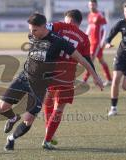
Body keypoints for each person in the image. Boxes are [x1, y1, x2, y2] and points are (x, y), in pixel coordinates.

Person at [0, 13, 104, 151]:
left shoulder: (58, 41)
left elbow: (82, 59)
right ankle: (12, 118)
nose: (31, 33)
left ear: (43, 27)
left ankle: (11, 139)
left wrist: (95, 76)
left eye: (34, 30)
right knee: (1, 108)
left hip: (40, 85)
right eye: (30, 29)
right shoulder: (32, 35)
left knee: (28, 119)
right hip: (24, 77)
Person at [42, 9, 96, 150]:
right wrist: (95, 76)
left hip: (50, 70)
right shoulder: (84, 38)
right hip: (67, 76)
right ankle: (47, 138)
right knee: (59, 108)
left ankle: (49, 134)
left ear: (70, 20)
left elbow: (43, 28)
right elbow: (87, 60)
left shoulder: (59, 26)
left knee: (48, 102)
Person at [84, 0, 112, 86]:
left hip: (97, 42)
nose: (91, 6)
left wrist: (103, 41)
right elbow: (90, 27)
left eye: (93, 4)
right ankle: (109, 79)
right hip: (92, 42)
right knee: (101, 60)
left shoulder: (99, 15)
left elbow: (106, 28)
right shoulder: (90, 15)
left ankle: (84, 80)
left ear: (96, 5)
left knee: (90, 61)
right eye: (90, 4)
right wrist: (85, 36)